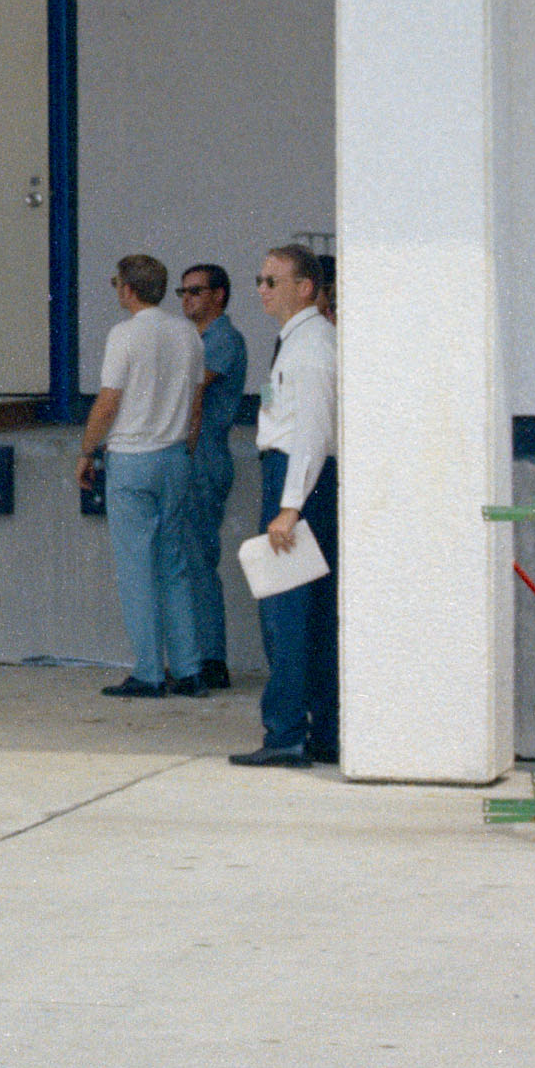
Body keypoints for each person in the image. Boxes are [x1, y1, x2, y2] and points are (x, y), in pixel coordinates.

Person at [231, 241, 339, 770]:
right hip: (287, 473)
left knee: (288, 613)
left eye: (273, 281)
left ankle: (288, 732)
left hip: (299, 480)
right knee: (304, 613)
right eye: (260, 279)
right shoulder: (291, 343)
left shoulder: (313, 347)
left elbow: (312, 433)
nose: (261, 289)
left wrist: (290, 505)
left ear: (305, 288)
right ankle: (321, 730)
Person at [76, 254, 204, 696]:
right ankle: (189, 669)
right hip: (175, 456)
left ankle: (149, 671)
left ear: (128, 288)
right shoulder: (187, 332)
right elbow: (195, 399)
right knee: (174, 565)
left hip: (133, 457)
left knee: (136, 569)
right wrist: (185, 445)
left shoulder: (124, 335)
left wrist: (86, 451)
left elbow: (108, 401)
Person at [176, 263, 250, 692]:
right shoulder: (197, 339)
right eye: (182, 292)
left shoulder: (222, 339)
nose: (187, 300)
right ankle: (196, 654)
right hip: (191, 456)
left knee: (197, 558)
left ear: (218, 296)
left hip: (204, 456)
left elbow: (191, 386)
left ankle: (209, 656)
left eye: (196, 292)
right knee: (186, 559)